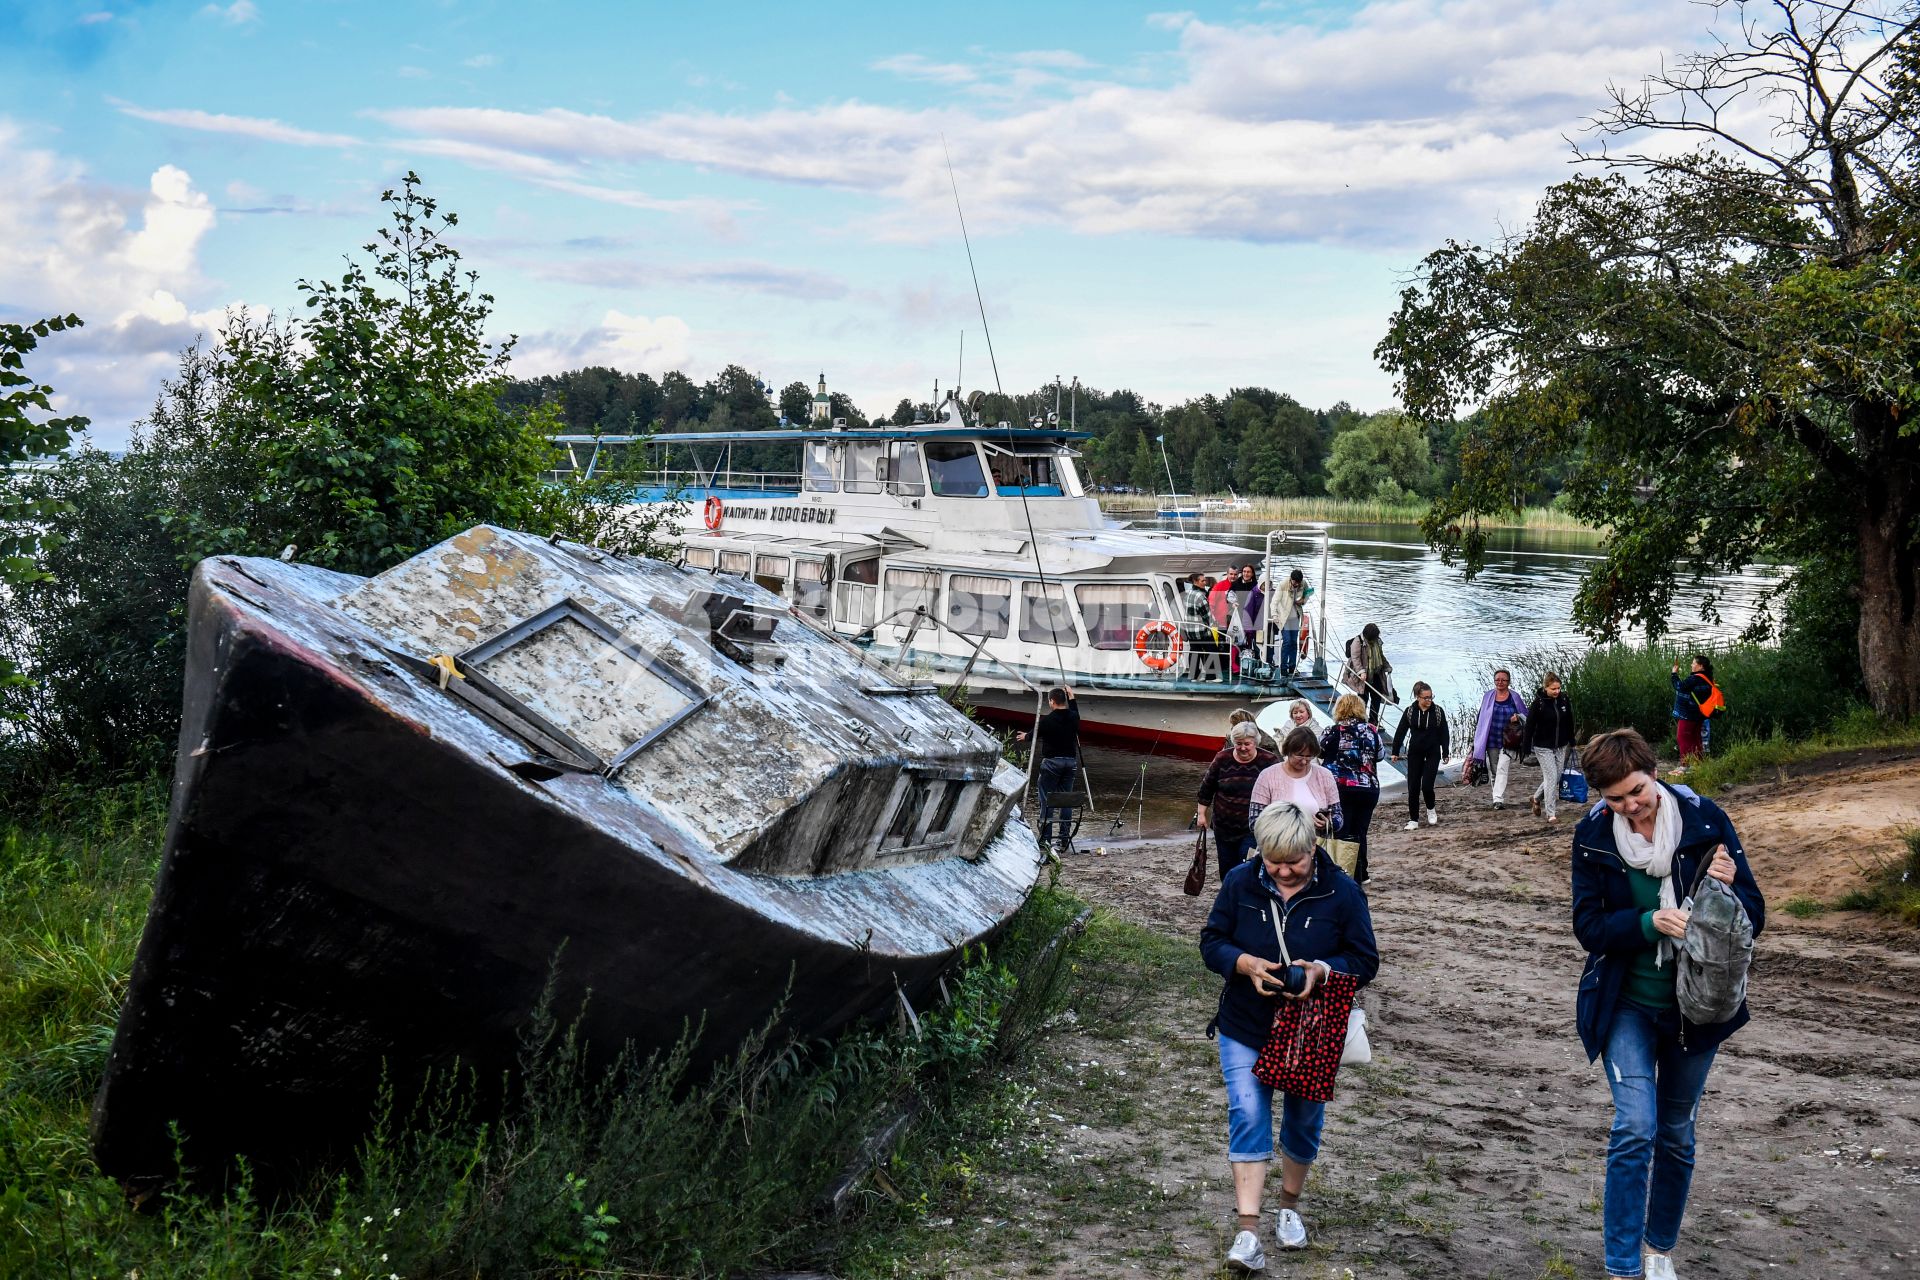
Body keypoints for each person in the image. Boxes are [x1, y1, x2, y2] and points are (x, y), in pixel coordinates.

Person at [1571, 728, 1765, 1280]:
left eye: (1636, 791)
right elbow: (1587, 926)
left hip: (1696, 1006)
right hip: (1625, 1001)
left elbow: (1755, 914)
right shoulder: (1592, 835)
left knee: (1676, 1131)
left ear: (1653, 773)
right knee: (1636, 1125)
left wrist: (1727, 890)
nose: (1630, 807)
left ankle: (1659, 1249)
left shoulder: (1706, 821)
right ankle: (1621, 1266)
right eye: (1615, 800)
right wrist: (1646, 922)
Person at [1201, 802, 1379, 1274]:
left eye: (1293, 862)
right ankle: (1247, 1231)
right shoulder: (1241, 881)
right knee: (1247, 1110)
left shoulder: (1342, 892)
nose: (1281, 870)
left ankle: (1289, 1209)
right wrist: (1243, 964)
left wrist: (1322, 970)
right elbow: (1212, 941)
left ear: (1313, 847)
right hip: (1244, 1021)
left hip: (1312, 1027)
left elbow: (1364, 960)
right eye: (1272, 861)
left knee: (1302, 1121)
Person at [1197, 722, 1278, 881]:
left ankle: (1244, 899)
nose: (1242, 748)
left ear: (1255, 742)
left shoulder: (1269, 761)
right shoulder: (1222, 758)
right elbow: (1207, 787)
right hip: (1223, 826)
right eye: (1238, 744)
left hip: (1253, 827)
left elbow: (1279, 791)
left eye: (1247, 744)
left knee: (1246, 865)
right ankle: (1229, 899)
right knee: (1226, 868)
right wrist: (1201, 814)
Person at [1318, 694, 1385, 884]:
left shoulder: (1331, 731)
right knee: (1360, 831)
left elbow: (1319, 751)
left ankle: (1343, 870)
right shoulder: (1371, 731)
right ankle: (1362, 873)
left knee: (1342, 829)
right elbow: (1380, 755)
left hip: (1340, 788)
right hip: (1368, 787)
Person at [1249, 726, 1343, 836]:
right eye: (1300, 756)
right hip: (1277, 847)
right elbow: (1254, 822)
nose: (1304, 761)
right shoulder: (1267, 776)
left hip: (1314, 846)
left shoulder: (1325, 775)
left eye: (1309, 757)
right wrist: (1293, 825)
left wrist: (1329, 823)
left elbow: (1338, 816)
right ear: (1288, 751)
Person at [1018, 687, 1079, 854]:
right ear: (1065, 701)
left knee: (1046, 799)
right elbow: (1074, 710)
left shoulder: (1048, 720)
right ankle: (1064, 839)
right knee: (1065, 799)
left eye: (1049, 701)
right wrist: (1072, 698)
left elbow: (1034, 734)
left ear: (1052, 701)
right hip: (1070, 763)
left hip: (1052, 763)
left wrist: (1025, 736)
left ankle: (1045, 838)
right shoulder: (1074, 717)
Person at [1389, 681, 1449, 830]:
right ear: (1417, 697)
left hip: (1433, 752)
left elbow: (1444, 732)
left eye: (1431, 697)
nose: (1429, 700)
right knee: (1413, 786)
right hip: (1415, 752)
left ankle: (1431, 809)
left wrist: (1446, 752)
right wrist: (1395, 751)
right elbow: (1401, 731)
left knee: (1427, 786)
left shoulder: (1438, 711)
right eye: (1426, 698)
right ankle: (1413, 820)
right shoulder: (1410, 711)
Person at [1469, 669, 1523, 808]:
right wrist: (1478, 739)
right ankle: (1496, 798)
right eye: (1497, 679)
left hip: (1509, 739)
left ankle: (1498, 799)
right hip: (1491, 738)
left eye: (1503, 680)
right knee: (1494, 769)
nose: (1500, 682)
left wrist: (1517, 717)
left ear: (1508, 682)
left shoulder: (1514, 697)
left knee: (1502, 768)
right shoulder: (1488, 696)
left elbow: (1525, 715)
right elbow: (1481, 717)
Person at [1527, 672, 1576, 824]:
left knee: (1558, 776)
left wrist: (1572, 739)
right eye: (1553, 689)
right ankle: (1551, 813)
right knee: (1551, 777)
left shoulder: (1564, 700)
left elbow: (1569, 720)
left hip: (1561, 745)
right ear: (1546, 687)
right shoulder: (1538, 703)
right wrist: (1525, 746)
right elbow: (1529, 725)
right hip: (1543, 746)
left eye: (1558, 688)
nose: (1556, 691)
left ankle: (1536, 798)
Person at [1342, 623, 1394, 724]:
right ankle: (1361, 720)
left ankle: (1373, 721)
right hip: (1363, 676)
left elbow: (1381, 656)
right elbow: (1355, 659)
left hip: (1376, 674)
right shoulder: (1358, 641)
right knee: (1363, 699)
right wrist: (1361, 672)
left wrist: (1387, 666)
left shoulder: (1377, 642)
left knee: (1377, 697)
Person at [1670, 655, 1715, 766]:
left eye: (1694, 663)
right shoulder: (1708, 678)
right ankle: (1699, 764)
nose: (1692, 665)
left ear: (1700, 666)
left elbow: (1679, 686)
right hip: (1699, 714)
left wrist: (1674, 674)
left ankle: (1685, 766)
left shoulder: (1695, 678)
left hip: (1688, 714)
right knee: (1695, 738)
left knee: (1682, 738)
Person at [1227, 564, 1265, 672]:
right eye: (1244, 571)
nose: (1246, 574)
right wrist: (1233, 604)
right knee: (1237, 641)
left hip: (1253, 617)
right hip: (1238, 617)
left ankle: (1250, 664)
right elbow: (1229, 597)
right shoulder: (1236, 584)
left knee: (1251, 641)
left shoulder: (1256, 585)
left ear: (1252, 573)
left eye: (1248, 572)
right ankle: (1234, 665)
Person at [1277, 570, 1309, 678]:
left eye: (1298, 583)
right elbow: (1275, 601)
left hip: (1295, 616)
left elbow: (1308, 592)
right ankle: (1283, 668)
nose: (1296, 584)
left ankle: (1292, 667)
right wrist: (1275, 616)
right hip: (1284, 617)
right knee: (1287, 641)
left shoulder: (1303, 583)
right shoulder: (1283, 584)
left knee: (1294, 642)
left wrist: (1303, 600)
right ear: (1291, 579)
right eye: (1294, 582)